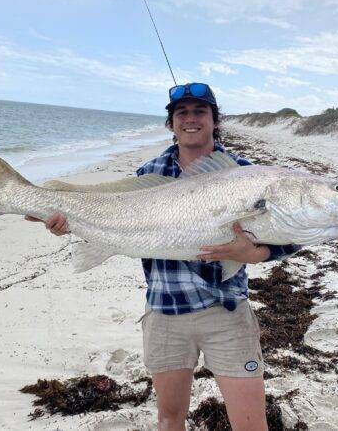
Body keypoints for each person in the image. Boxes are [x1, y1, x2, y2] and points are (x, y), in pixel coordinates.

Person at [26, 83, 300, 431]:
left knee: (251, 425)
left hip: (227, 313)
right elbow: (119, 223)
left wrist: (255, 253)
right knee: (170, 418)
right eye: (181, 113)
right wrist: (69, 223)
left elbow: (293, 231)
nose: (190, 119)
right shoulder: (149, 173)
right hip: (164, 311)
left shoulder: (246, 174)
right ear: (170, 123)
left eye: (199, 111)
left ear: (215, 120)